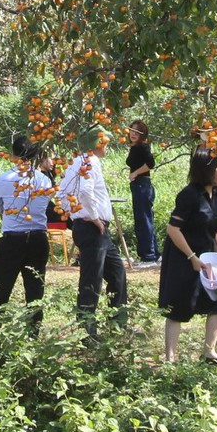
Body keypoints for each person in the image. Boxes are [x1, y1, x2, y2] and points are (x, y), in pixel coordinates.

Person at [159, 148, 217, 362]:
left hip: (207, 258)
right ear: (206, 169)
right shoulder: (189, 195)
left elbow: (215, 228)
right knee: (179, 306)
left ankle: (209, 352)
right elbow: (173, 229)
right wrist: (192, 258)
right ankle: (170, 357)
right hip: (183, 257)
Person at [60, 127, 130, 338]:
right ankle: (87, 331)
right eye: (105, 142)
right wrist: (92, 217)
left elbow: (63, 193)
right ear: (98, 144)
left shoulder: (76, 163)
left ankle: (118, 324)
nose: (107, 146)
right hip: (92, 228)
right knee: (92, 279)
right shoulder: (90, 162)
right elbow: (84, 191)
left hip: (93, 229)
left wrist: (74, 214)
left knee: (117, 273)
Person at [0, 134, 53, 323]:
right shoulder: (44, 181)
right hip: (38, 239)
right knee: (35, 292)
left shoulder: (4, 179)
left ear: (14, 155)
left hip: (12, 240)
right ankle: (33, 335)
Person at [126, 120, 160, 265]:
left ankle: (148, 256)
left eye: (137, 132)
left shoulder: (143, 147)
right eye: (132, 131)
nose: (133, 134)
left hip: (142, 185)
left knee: (143, 220)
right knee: (146, 219)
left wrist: (135, 173)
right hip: (139, 185)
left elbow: (151, 164)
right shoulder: (135, 147)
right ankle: (153, 254)